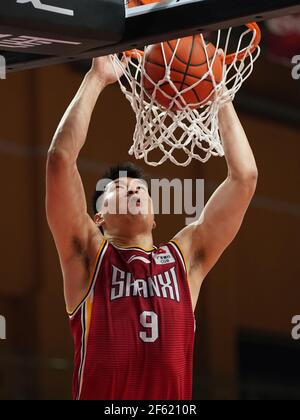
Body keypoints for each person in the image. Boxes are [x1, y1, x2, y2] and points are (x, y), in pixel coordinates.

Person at [46, 56, 258, 400]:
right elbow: (59, 160)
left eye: (139, 187)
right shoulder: (88, 256)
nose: (132, 188)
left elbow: (245, 178)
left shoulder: (185, 259)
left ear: (155, 216)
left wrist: (220, 93)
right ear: (98, 217)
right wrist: (97, 78)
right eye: (117, 188)